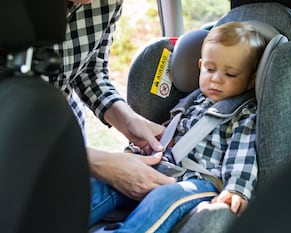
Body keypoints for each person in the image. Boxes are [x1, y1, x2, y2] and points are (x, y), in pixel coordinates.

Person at [114, 21, 266, 232]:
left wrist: (237, 189)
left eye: (230, 74)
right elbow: (167, 135)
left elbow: (243, 154)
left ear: (251, 80)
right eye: (210, 69)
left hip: (201, 181)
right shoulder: (190, 102)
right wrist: (134, 153)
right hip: (163, 168)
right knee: (105, 183)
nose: (216, 79)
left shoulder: (243, 113)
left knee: (164, 197)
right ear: (200, 66)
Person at [49, 0, 175, 224]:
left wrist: (129, 120)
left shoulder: (108, 3)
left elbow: (91, 71)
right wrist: (101, 164)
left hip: (63, 128)